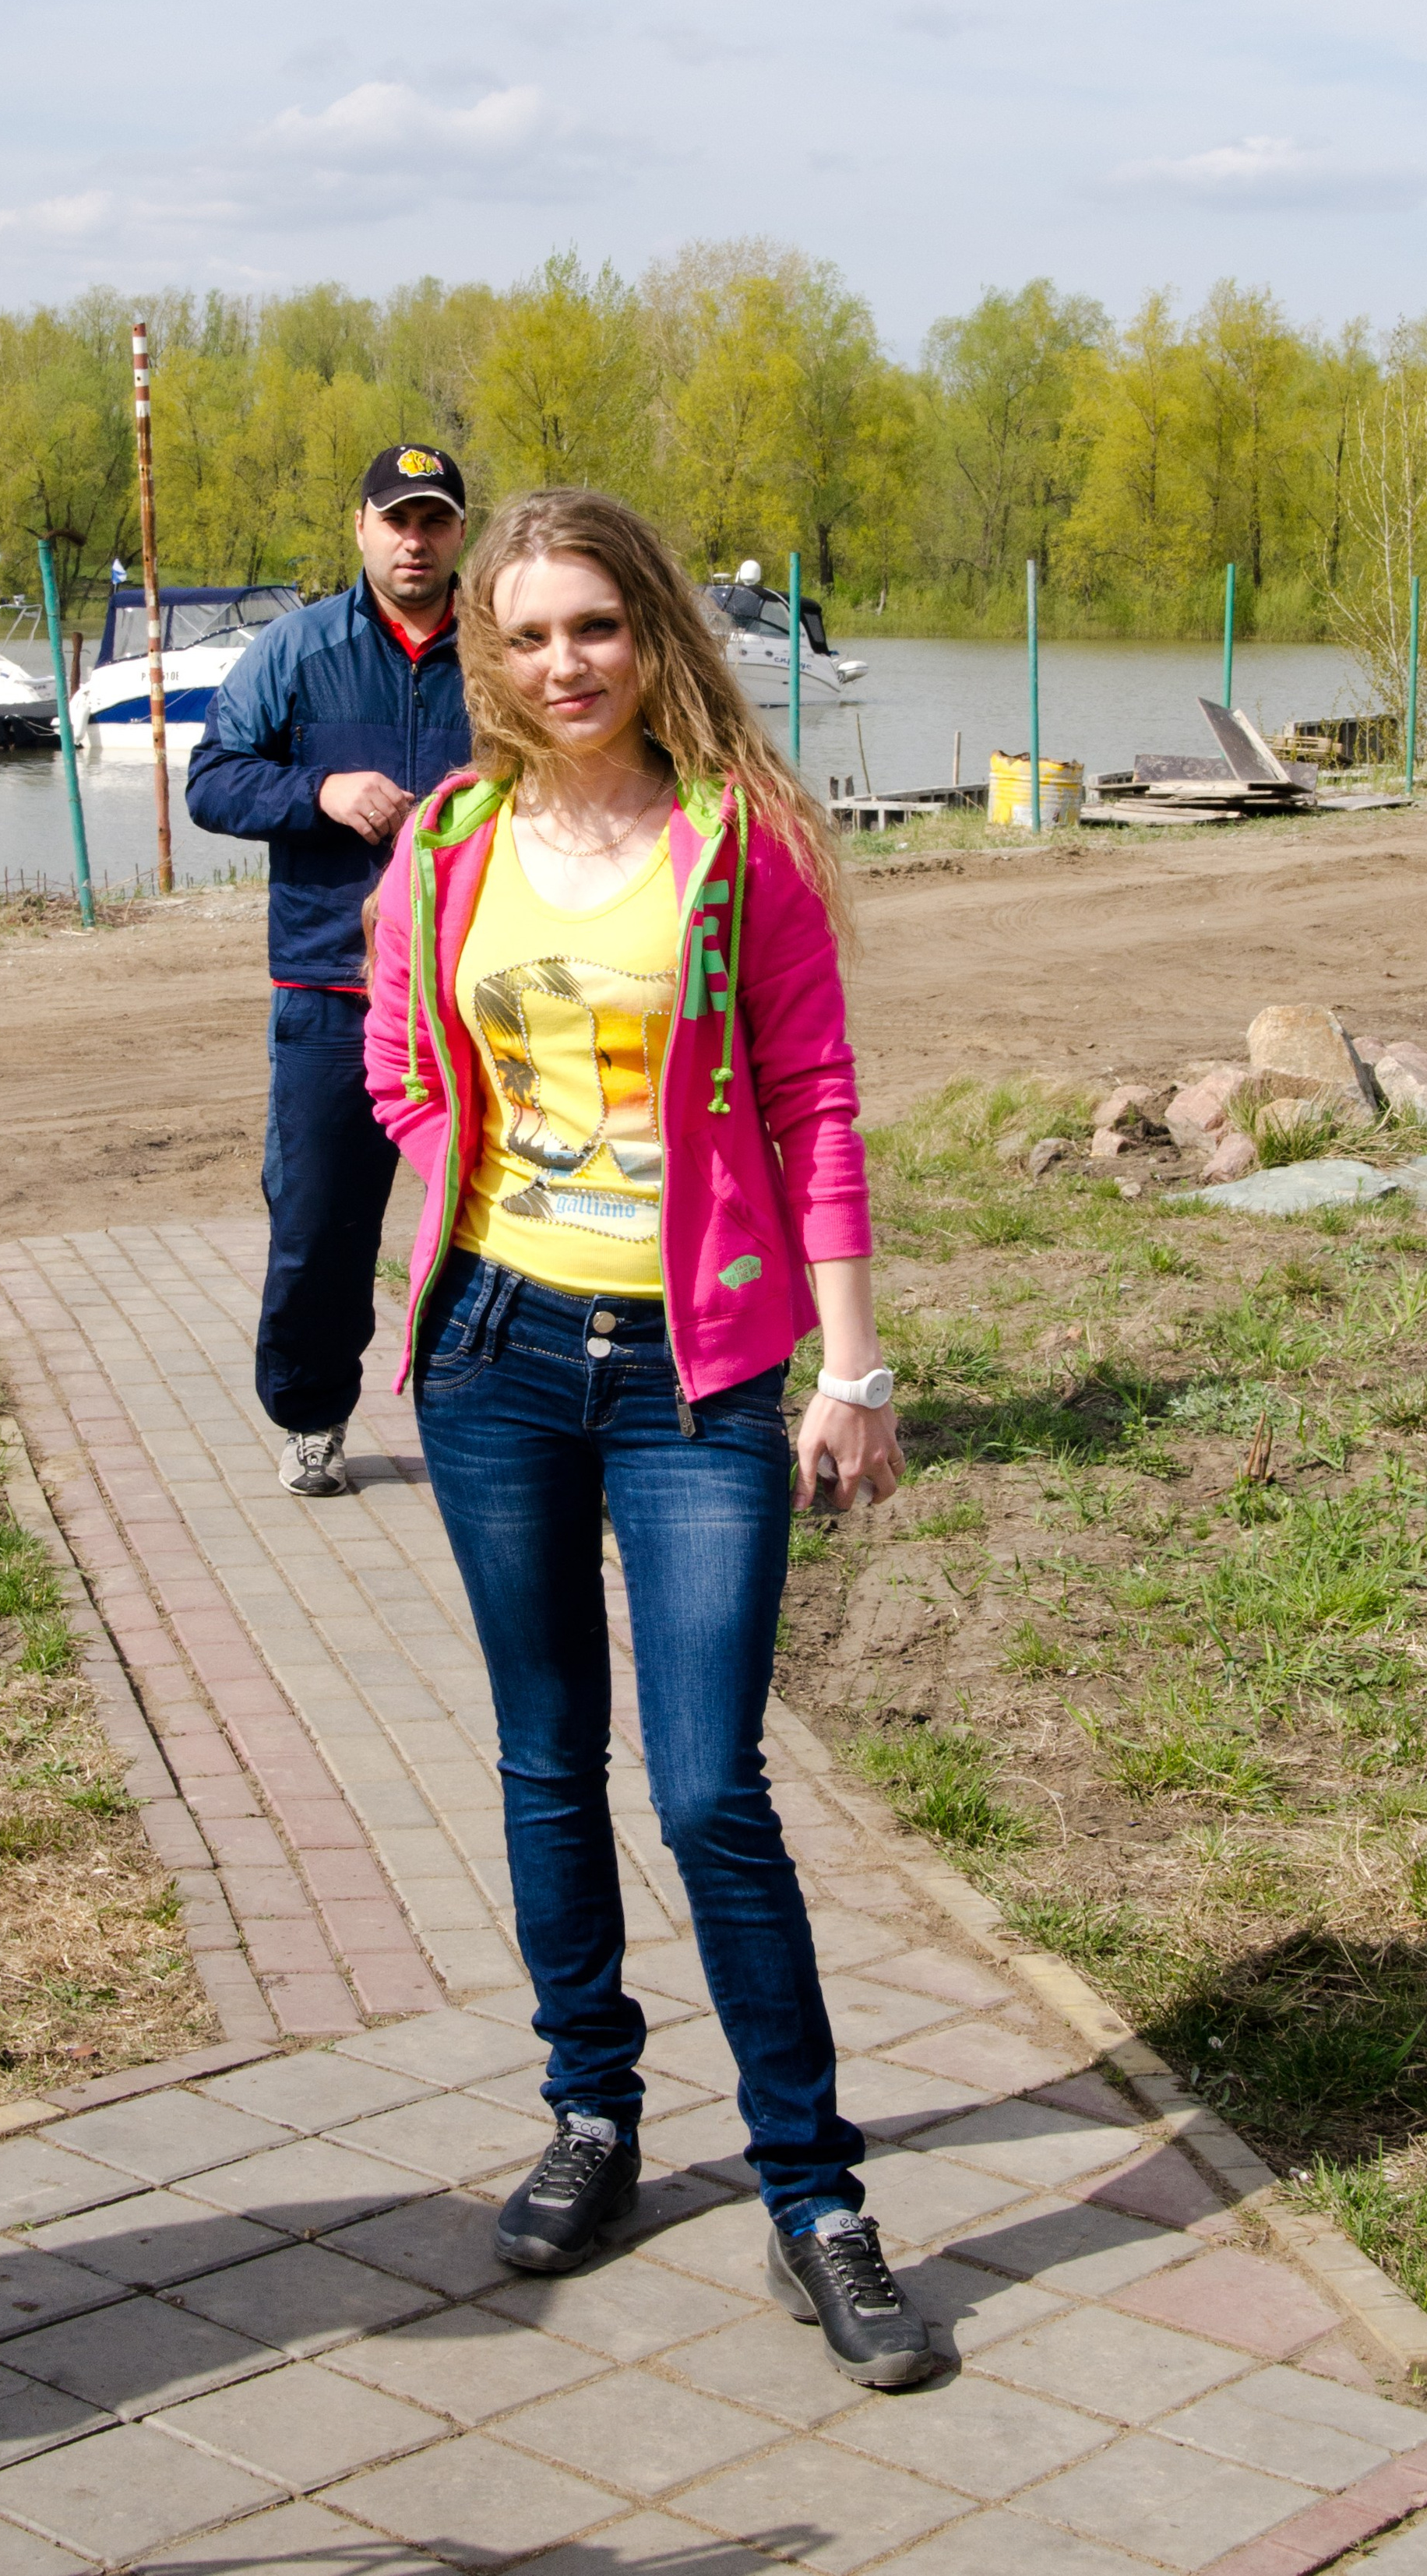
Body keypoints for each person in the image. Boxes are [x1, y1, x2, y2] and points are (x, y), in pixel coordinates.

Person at [365, 488, 929, 2390]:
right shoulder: (446, 844)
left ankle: (814, 2192)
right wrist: (464, 1178)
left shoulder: (736, 842)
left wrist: (846, 1368)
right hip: (495, 1354)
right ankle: (591, 2118)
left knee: (706, 1787)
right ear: (490, 653)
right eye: (526, 635)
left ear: (648, 631)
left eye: (592, 626)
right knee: (546, 1755)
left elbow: (817, 1095)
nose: (559, 664)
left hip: (701, 1378)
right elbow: (392, 1057)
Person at [186, 446, 471, 1495]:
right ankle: (312, 1416)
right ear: (359, 526)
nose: (415, 538)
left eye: (435, 519)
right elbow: (213, 781)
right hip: (329, 993)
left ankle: (500, 1422)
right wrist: (321, 791)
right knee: (317, 1227)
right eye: (397, 518)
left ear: (458, 534)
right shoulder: (298, 649)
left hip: (478, 993)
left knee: (503, 1222)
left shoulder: (502, 654)